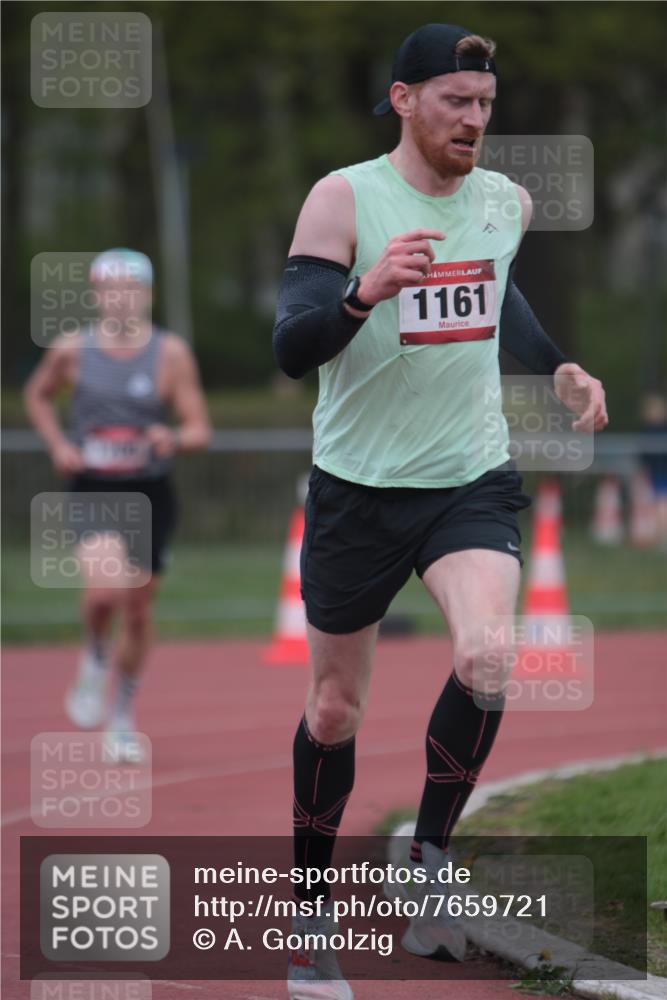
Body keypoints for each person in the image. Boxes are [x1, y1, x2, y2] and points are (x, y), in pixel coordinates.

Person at [272, 23, 608, 1000]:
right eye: (456, 100)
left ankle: (427, 873)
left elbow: (497, 297)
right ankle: (308, 910)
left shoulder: (504, 200)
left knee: (487, 656)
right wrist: (364, 293)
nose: (473, 119)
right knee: (334, 709)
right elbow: (293, 346)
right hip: (356, 490)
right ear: (404, 99)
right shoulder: (344, 198)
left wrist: (558, 367)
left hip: (468, 478)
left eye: (485, 105)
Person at [24, 248, 211, 758]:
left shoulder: (170, 354)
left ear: (146, 294)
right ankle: (94, 654)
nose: (120, 298)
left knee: (137, 609)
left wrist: (172, 438)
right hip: (94, 488)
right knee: (105, 593)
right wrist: (59, 444)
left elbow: (199, 427)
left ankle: (122, 716)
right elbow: (37, 394)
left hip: (150, 494)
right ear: (97, 295)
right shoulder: (72, 350)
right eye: (110, 289)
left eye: (130, 288)